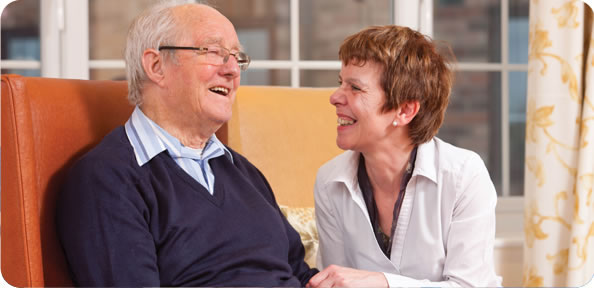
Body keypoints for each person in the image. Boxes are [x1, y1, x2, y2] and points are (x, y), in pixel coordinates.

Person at [56, 1, 317, 286]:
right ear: (156, 66)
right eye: (214, 52)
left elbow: (300, 274)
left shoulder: (244, 173)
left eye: (236, 56)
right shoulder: (107, 179)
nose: (232, 70)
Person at [307, 25, 502, 287]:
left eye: (355, 87)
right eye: (340, 83)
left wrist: (383, 283)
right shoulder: (329, 181)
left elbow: (468, 286)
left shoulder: (464, 175)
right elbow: (336, 281)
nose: (334, 97)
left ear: (405, 110)